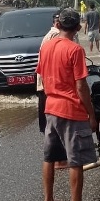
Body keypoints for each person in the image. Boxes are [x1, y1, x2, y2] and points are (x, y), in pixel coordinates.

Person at [36, 8, 100, 201]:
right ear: (78, 28)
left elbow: (42, 77)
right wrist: (91, 114)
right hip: (70, 110)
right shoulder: (75, 50)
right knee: (75, 160)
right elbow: (81, 86)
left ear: (58, 25)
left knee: (50, 157)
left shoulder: (46, 46)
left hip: (51, 107)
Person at [37, 12, 68, 168]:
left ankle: (56, 159)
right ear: (57, 24)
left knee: (51, 126)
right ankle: (60, 160)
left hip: (46, 86)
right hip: (52, 88)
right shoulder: (56, 36)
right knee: (58, 125)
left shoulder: (49, 35)